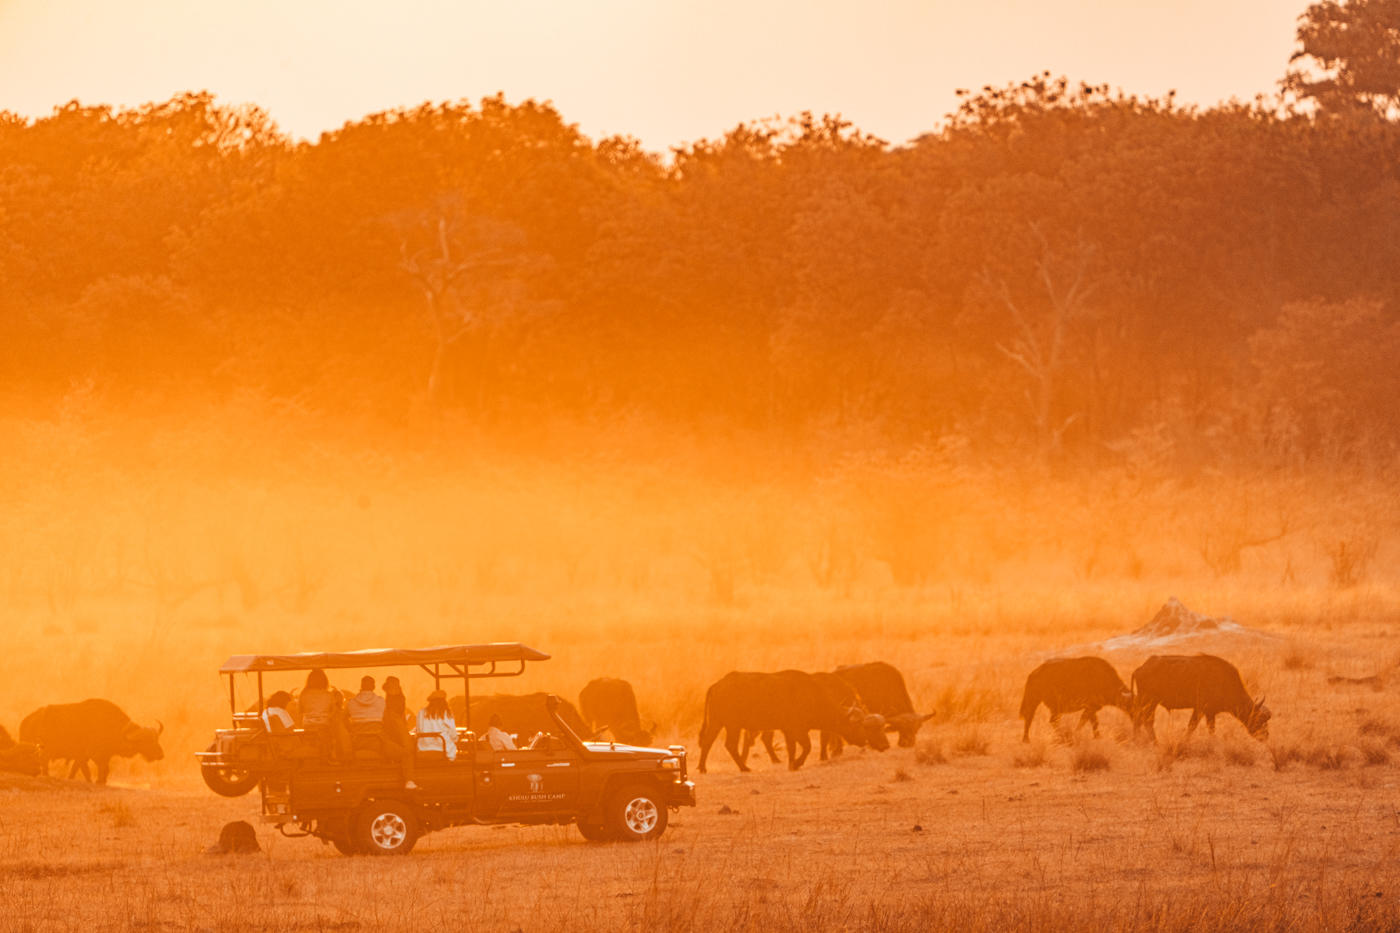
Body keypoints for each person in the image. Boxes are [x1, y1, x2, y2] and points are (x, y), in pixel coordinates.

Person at [381, 678, 417, 790]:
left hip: (391, 735)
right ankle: (409, 779)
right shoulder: (396, 704)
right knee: (407, 752)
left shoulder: (389, 704)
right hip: (395, 733)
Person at [416, 690, 458, 761]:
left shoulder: (421, 712)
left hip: (423, 748)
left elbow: (419, 729)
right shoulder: (446, 713)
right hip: (443, 749)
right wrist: (456, 739)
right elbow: (452, 733)